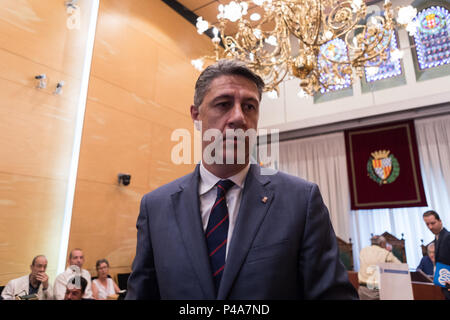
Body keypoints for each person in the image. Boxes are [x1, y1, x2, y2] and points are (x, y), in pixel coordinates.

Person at [126, 59, 358, 300]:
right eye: (223, 104)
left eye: (249, 107)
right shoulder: (156, 207)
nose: (238, 117)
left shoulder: (301, 201)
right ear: (196, 115)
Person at [357, 235, 401, 300]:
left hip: (362, 291)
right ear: (382, 243)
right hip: (377, 293)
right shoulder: (385, 253)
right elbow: (399, 267)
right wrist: (389, 252)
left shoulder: (363, 251)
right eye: (385, 244)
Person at [423, 210, 450, 299]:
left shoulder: (447, 237)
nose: (430, 227)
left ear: (440, 221)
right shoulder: (437, 238)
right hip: (443, 285)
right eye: (427, 224)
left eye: (433, 223)